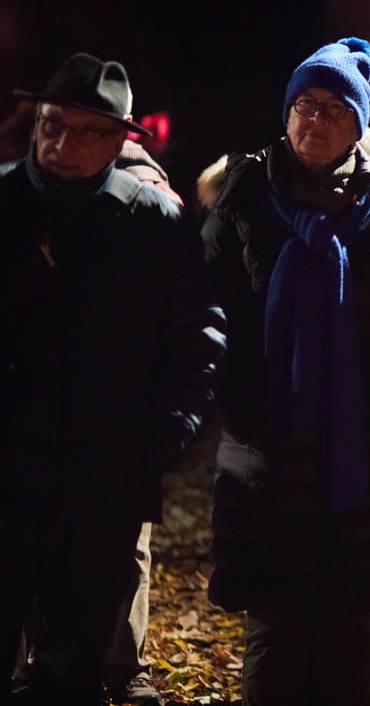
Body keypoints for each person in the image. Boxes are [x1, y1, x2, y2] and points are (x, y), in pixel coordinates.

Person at [200, 37, 370, 706]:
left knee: (356, 638)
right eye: (305, 103)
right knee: (275, 636)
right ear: (286, 113)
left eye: (336, 108)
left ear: (359, 127)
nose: (315, 119)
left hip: (363, 462)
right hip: (268, 458)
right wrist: (245, 414)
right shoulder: (246, 198)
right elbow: (208, 314)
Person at [0, 52, 226, 704]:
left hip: (100, 483)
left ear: (120, 140)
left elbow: (199, 339)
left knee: (73, 665)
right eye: (51, 124)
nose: (61, 143)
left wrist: (159, 443)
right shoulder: (6, 200)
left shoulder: (152, 221)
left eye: (84, 131)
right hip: (8, 473)